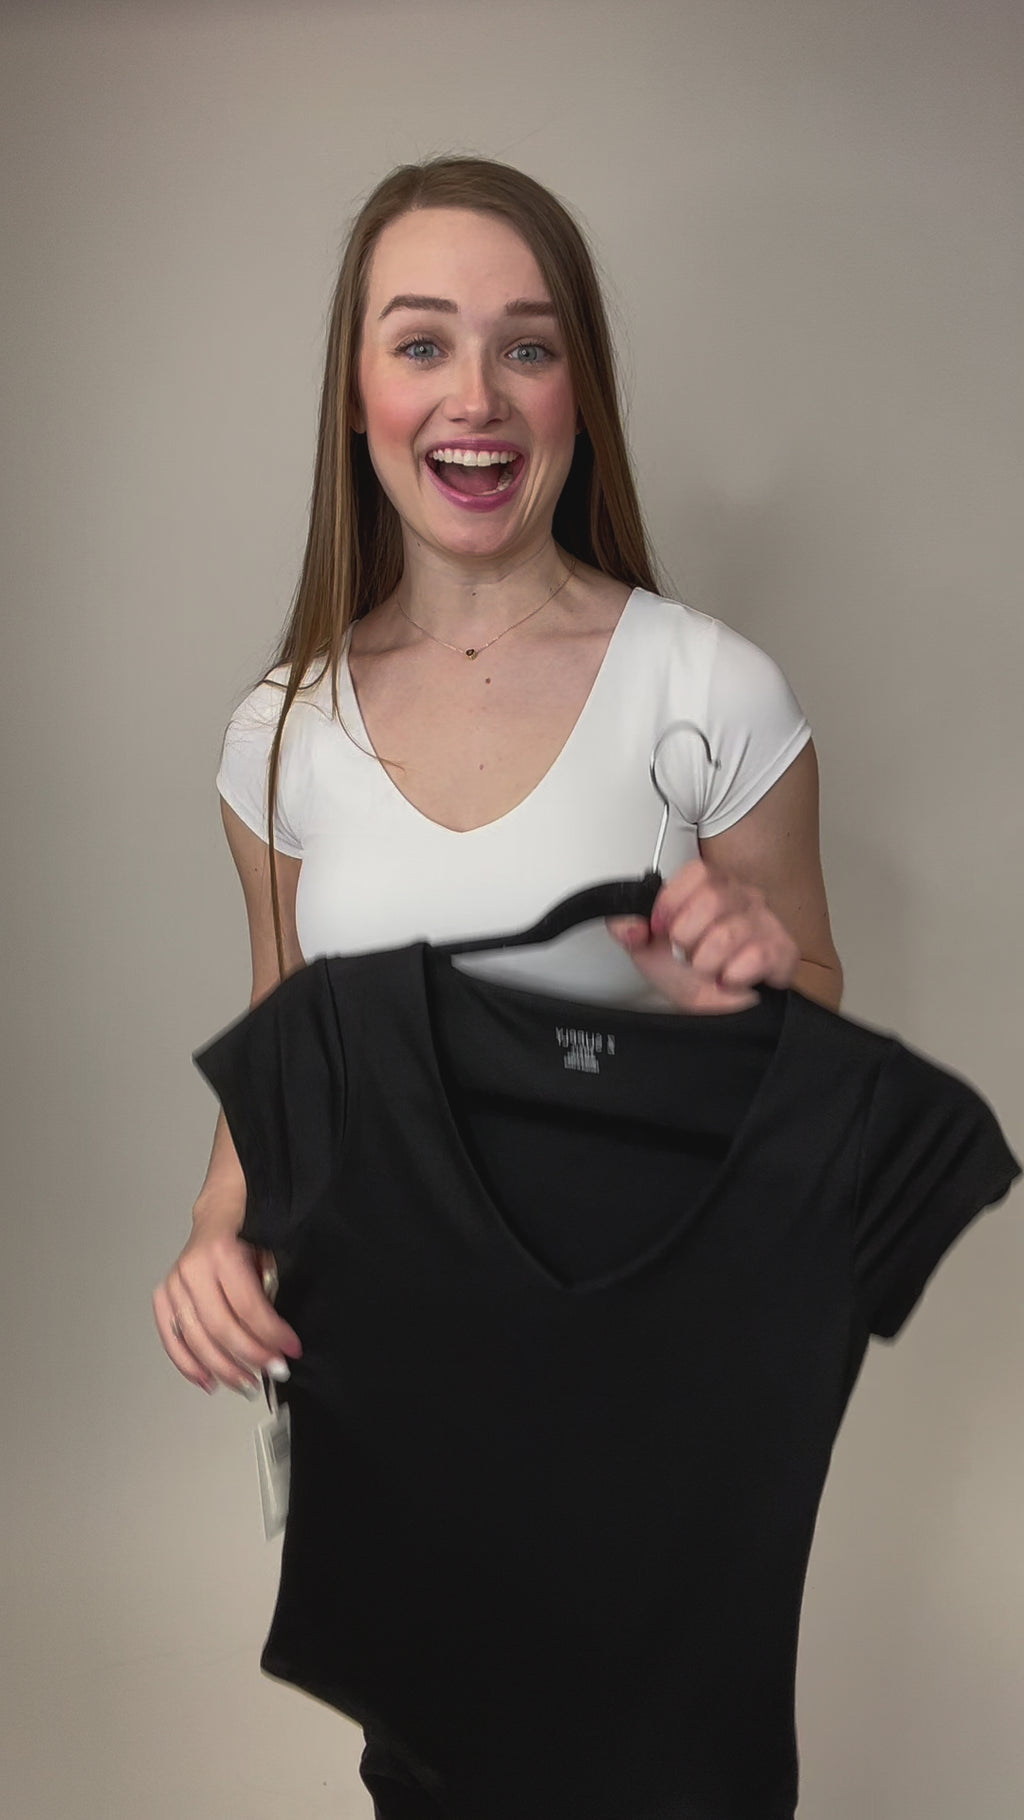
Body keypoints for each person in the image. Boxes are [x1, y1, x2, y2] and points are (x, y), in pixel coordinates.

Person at [153, 155, 845, 1805]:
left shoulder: (710, 691)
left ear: (577, 391)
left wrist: (742, 991)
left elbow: (812, 1007)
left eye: (527, 346)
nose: (476, 394)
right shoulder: (280, 733)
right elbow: (285, 1039)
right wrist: (214, 1230)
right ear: (358, 396)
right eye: (422, 344)